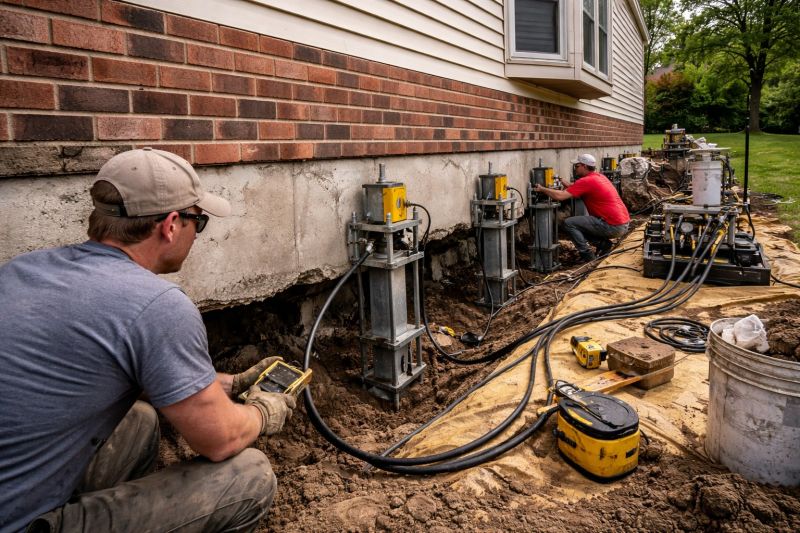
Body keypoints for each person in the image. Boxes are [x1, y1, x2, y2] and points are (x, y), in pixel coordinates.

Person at [0, 148, 297, 532]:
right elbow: (220, 439)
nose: (197, 232)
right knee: (249, 476)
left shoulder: (22, 270)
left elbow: (99, 367)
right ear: (171, 225)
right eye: (198, 221)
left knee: (139, 420)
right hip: (15, 522)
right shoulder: (156, 306)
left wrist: (230, 384)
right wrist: (261, 411)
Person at [534, 153, 630, 262]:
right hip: (623, 223)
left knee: (569, 223)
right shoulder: (598, 176)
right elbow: (576, 188)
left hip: (612, 226)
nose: (575, 168)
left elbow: (560, 196)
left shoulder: (586, 181)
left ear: (584, 166)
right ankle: (603, 244)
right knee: (580, 224)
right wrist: (561, 181)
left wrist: (542, 189)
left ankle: (587, 255)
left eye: (577, 166)